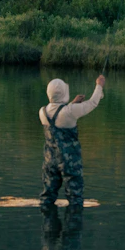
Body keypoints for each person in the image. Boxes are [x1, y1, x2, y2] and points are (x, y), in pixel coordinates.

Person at [38, 74, 105, 209]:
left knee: (48, 197)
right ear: (64, 92)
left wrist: (71, 104)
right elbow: (92, 103)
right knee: (75, 198)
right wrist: (99, 85)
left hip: (49, 161)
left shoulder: (42, 112)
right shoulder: (70, 111)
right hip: (70, 162)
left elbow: (58, 114)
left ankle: (48, 224)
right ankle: (73, 226)